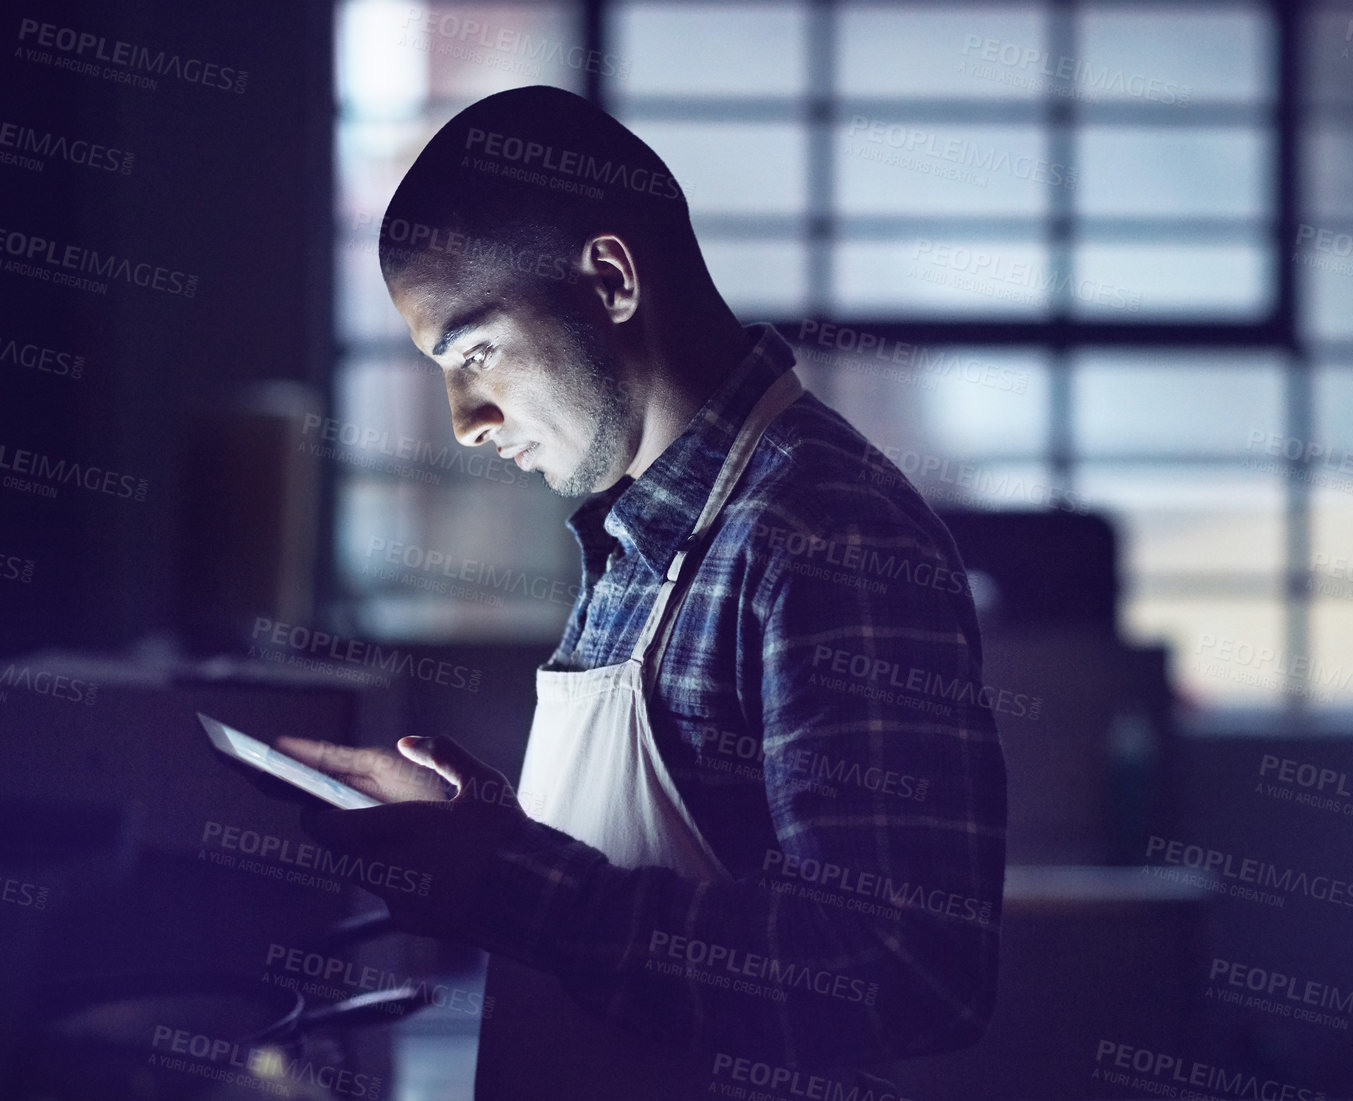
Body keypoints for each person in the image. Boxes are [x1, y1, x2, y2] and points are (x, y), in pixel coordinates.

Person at [275, 85, 1008, 1099]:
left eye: (475, 351)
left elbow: (904, 969)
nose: (464, 421)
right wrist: (490, 833)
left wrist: (507, 883)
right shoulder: (640, 533)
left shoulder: (822, 533)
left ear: (611, 279)